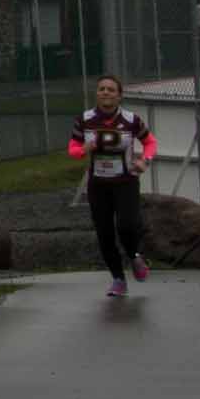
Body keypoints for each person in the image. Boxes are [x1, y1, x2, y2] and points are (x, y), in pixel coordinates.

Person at [71, 73, 155, 297]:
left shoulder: (131, 120)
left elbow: (150, 142)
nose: (105, 93)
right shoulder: (85, 119)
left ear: (119, 96)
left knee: (127, 225)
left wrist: (144, 160)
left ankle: (135, 256)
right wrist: (84, 150)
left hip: (126, 182)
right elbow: (73, 149)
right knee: (104, 232)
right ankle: (118, 279)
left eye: (111, 89)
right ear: (96, 94)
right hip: (98, 185)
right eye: (102, 89)